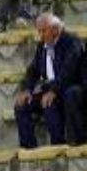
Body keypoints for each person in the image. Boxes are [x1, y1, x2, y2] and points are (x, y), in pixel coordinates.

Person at [14, 14, 84, 149]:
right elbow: (33, 70)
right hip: (50, 89)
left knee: (48, 103)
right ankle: (29, 148)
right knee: (21, 106)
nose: (40, 35)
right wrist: (27, 89)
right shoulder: (42, 45)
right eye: (39, 31)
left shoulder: (71, 42)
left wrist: (54, 90)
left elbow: (68, 72)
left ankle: (57, 145)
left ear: (55, 29)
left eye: (43, 31)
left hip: (66, 89)